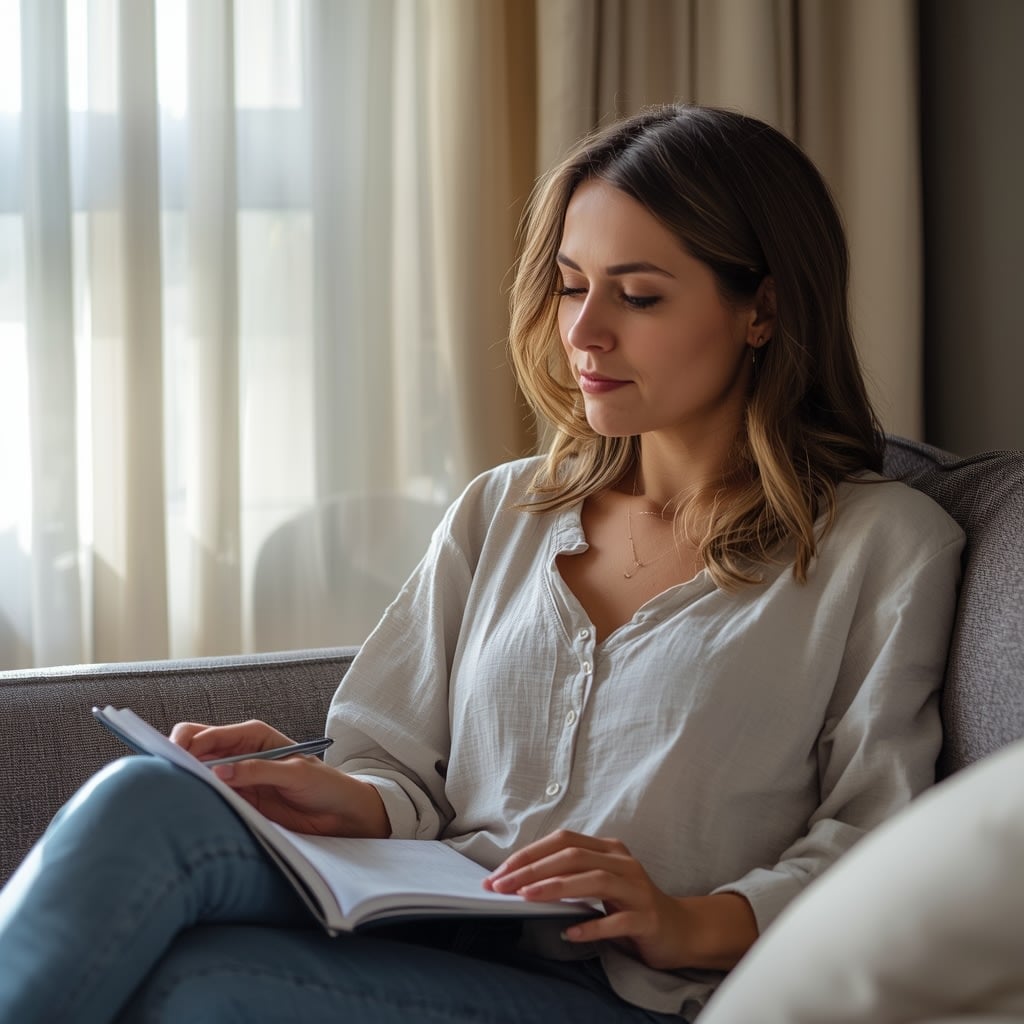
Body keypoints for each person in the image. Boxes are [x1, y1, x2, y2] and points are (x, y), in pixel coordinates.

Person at [0, 104, 964, 1023]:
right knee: (148, 801)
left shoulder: (882, 549)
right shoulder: (504, 510)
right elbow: (400, 767)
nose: (584, 332)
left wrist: (684, 919)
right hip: (440, 923)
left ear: (763, 310)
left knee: (200, 995)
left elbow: (880, 844)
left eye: (637, 296)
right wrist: (350, 795)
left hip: (625, 991)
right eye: (571, 284)